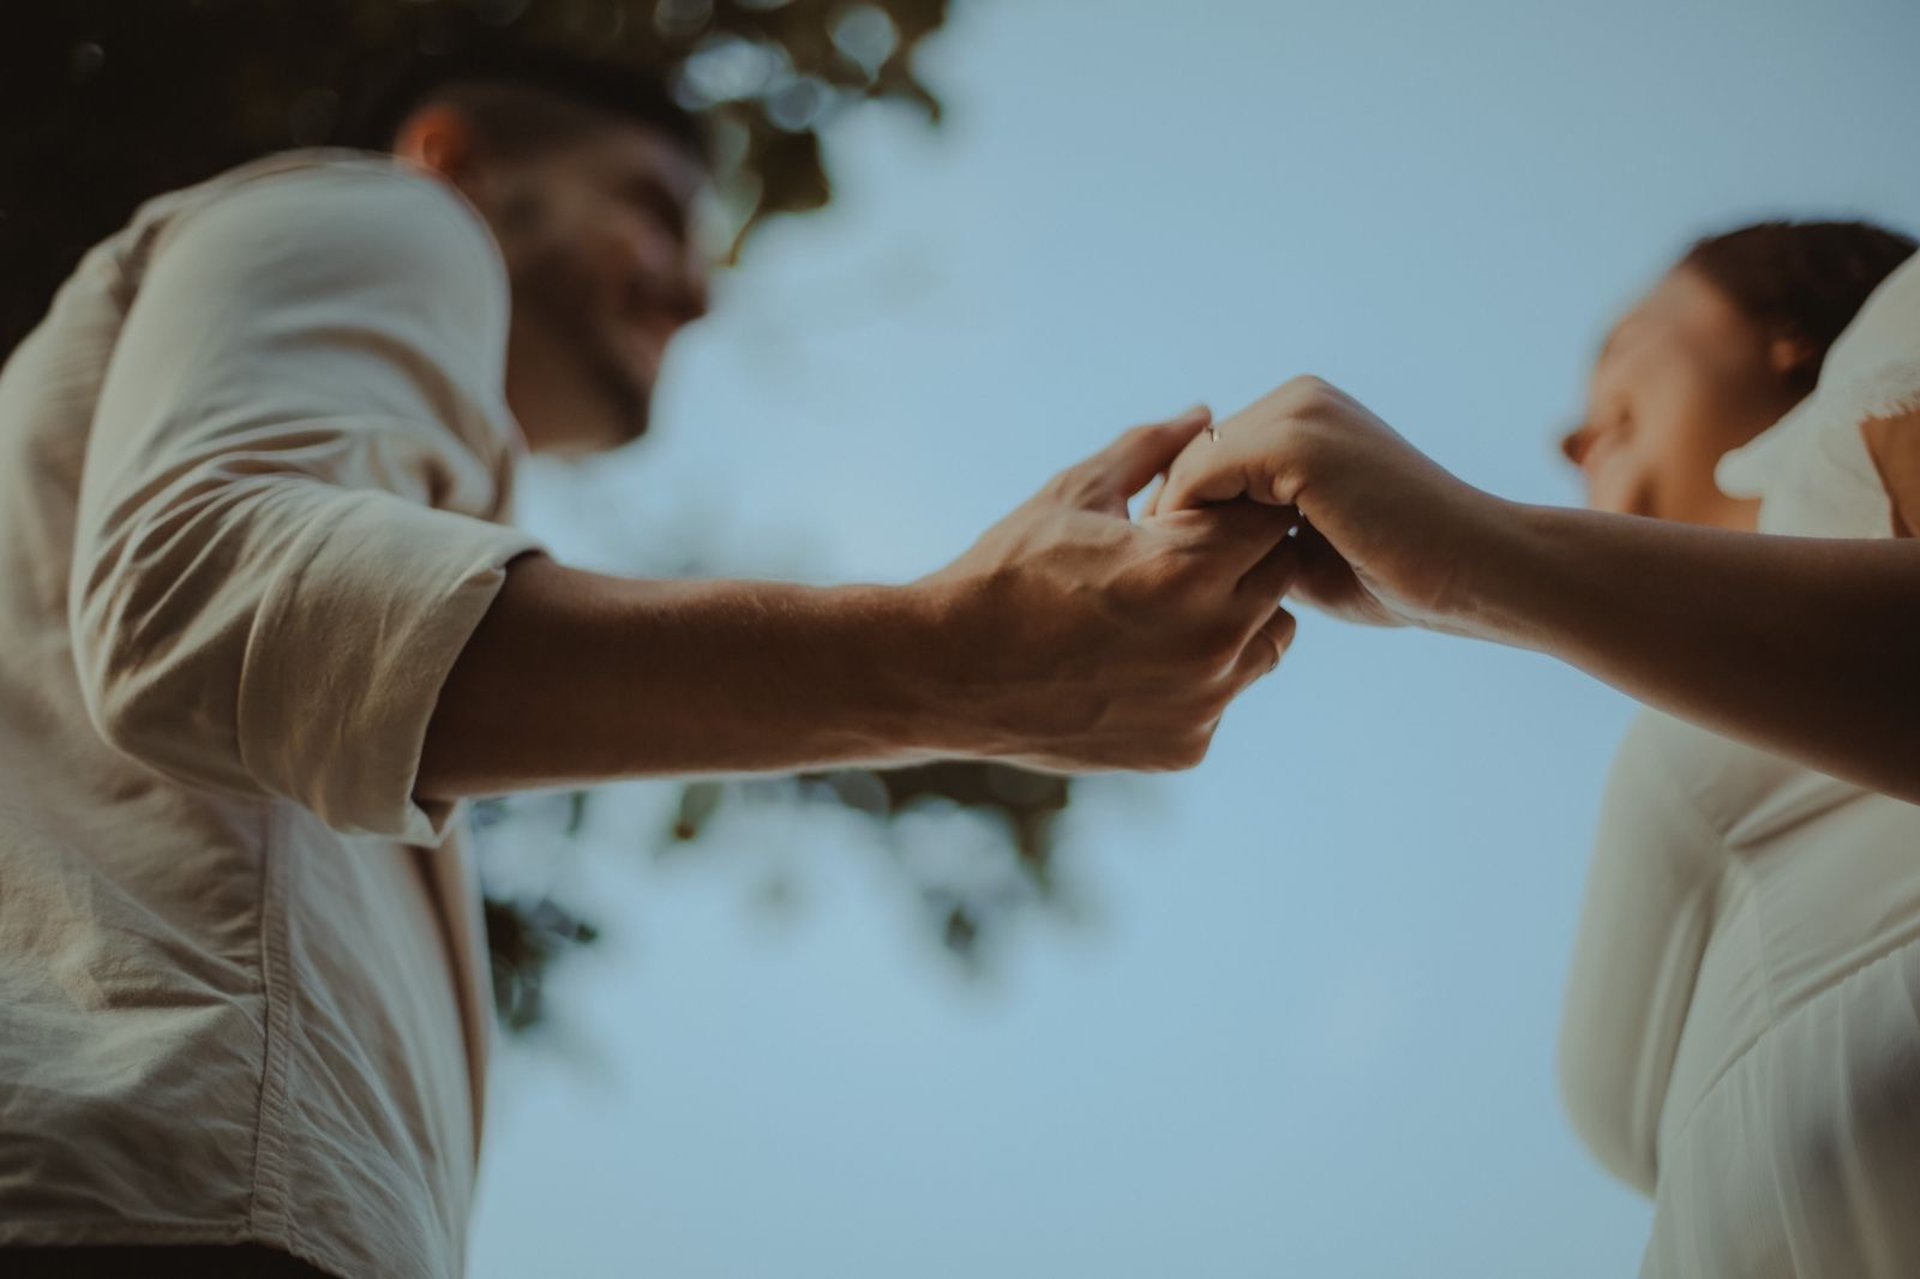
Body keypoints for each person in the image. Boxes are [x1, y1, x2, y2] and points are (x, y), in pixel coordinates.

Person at [0, 38, 1300, 1279]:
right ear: (453, 159)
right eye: (655, 207)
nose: (698, 286)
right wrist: (955, 655)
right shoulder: (401, 218)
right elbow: (201, 594)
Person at [1153, 220, 1920, 1276]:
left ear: (1788, 329)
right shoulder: (1699, 723)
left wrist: (1478, 557)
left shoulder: (1899, 334)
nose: (1569, 437)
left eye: (1622, 344)